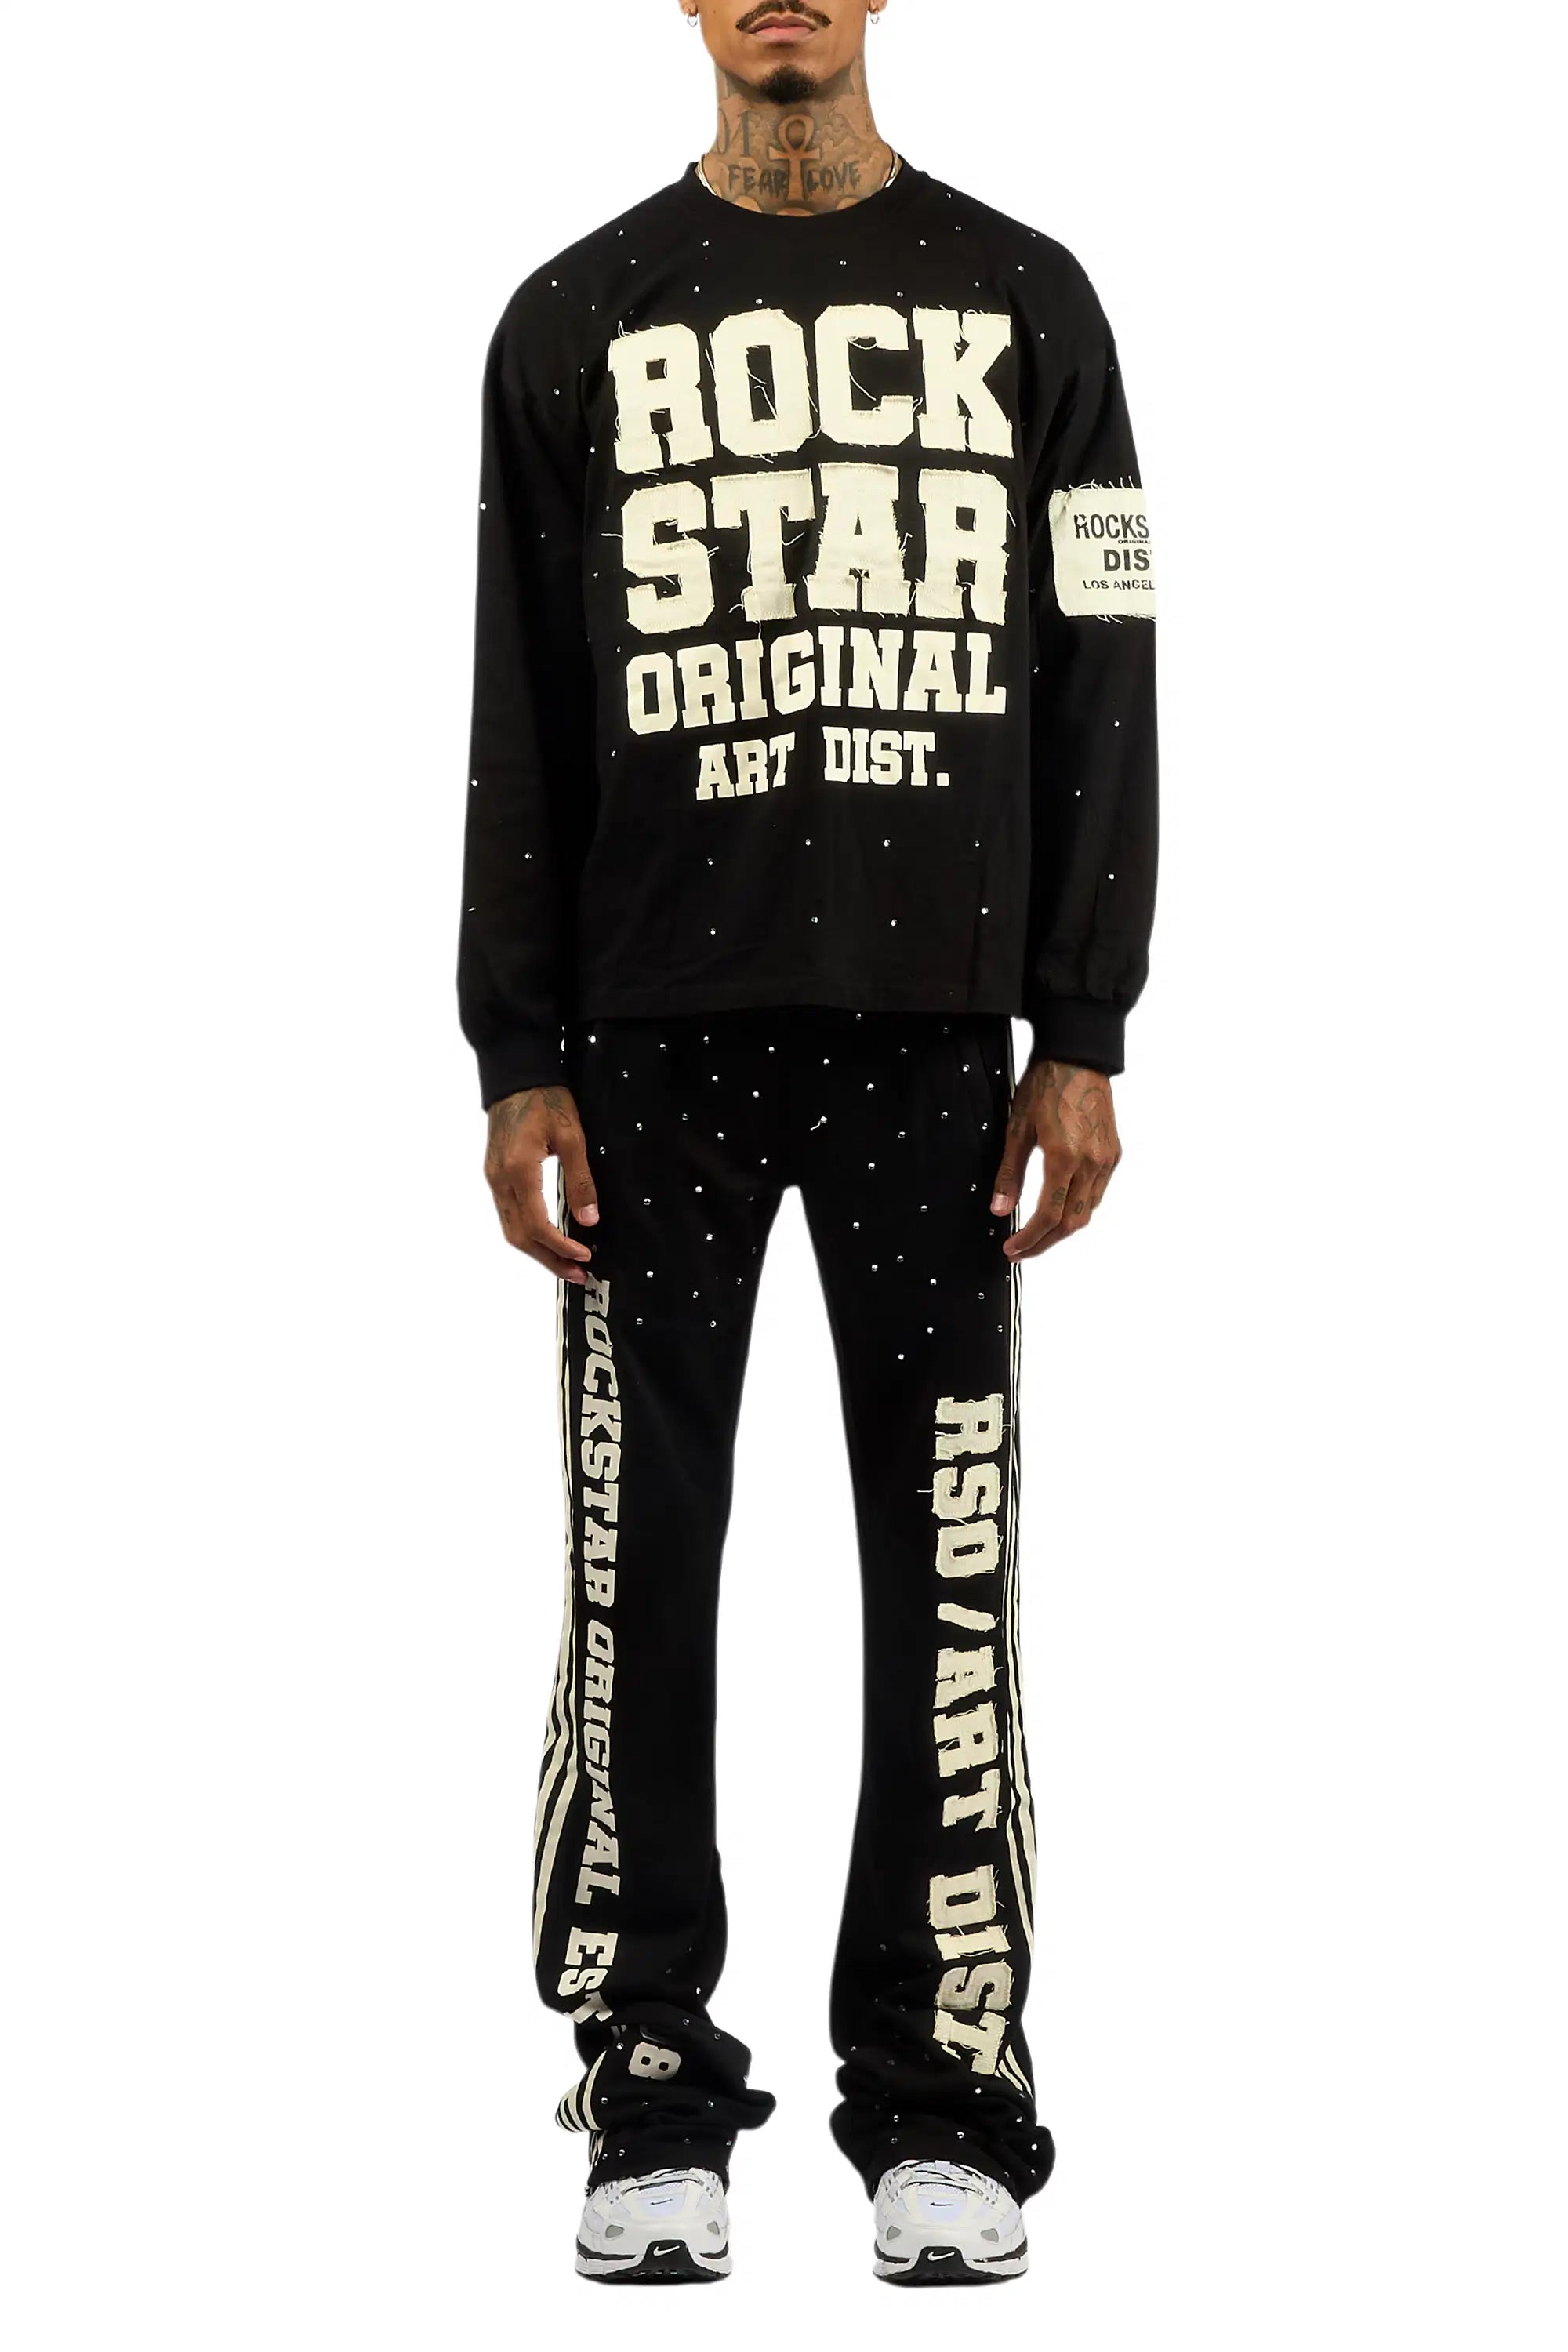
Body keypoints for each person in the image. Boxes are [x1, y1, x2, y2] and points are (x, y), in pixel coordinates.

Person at [458, 0, 1156, 2286]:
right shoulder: (571, 318)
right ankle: (652, 2081)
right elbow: (518, 698)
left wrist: (1084, 1022)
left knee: (941, 1577)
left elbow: (1109, 659)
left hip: (940, 1047)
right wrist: (515, 1052)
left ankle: (944, 2098)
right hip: (646, 1049)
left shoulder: (1032, 301)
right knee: (634, 1574)